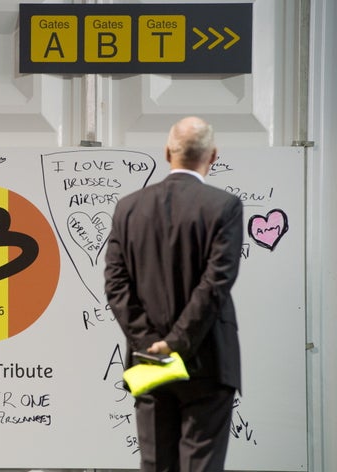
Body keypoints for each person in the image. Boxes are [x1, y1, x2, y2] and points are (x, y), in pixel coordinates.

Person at [104, 116, 243, 472]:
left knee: (156, 465)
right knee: (201, 465)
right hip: (208, 360)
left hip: (148, 360)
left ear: (167, 152)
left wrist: (150, 342)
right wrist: (177, 342)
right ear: (213, 155)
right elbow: (215, 285)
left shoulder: (128, 207)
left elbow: (115, 284)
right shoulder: (223, 207)